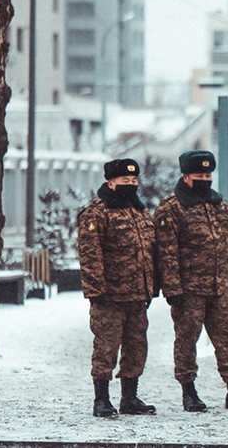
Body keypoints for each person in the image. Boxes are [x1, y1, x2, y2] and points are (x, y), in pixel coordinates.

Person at [154, 150, 228, 412]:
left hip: (220, 288)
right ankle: (189, 391)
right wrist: (172, 289)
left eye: (208, 175)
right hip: (188, 290)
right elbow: (166, 253)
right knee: (186, 341)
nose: (205, 179)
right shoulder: (170, 208)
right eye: (199, 175)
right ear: (186, 176)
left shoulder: (219, 205)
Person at [77, 158, 158, 418]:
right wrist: (95, 290)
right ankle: (101, 400)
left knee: (136, 348)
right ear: (111, 183)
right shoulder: (97, 212)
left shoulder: (139, 212)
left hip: (137, 295)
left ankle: (130, 398)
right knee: (106, 348)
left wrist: (151, 287)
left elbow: (149, 251)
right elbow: (90, 254)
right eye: (125, 181)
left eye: (134, 181)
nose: (131, 185)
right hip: (109, 297)